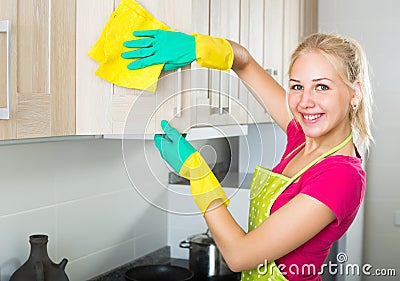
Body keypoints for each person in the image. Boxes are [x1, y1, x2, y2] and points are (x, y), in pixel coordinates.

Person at [121, 30, 373, 280]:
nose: (305, 101)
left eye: (322, 86)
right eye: (297, 86)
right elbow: (245, 63)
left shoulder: (341, 176)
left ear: (354, 93)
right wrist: (200, 47)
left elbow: (239, 256)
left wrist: (199, 175)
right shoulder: (303, 139)